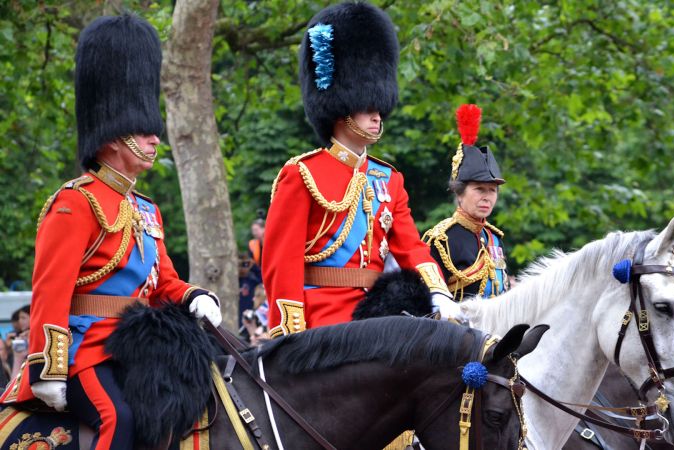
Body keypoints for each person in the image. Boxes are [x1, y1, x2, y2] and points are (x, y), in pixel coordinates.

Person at [0, 14, 222, 450]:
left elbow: (164, 283)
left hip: (137, 349)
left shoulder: (145, 208)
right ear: (114, 135)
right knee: (115, 417)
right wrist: (50, 366)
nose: (156, 138)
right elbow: (50, 292)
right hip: (86, 352)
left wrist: (193, 296)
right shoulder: (75, 202)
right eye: (145, 130)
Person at [262, 2, 455, 337]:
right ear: (341, 108)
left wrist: (437, 290)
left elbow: (410, 246)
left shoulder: (389, 179)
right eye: (368, 108)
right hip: (323, 318)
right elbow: (281, 262)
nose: (378, 116)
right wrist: (290, 332)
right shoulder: (303, 173)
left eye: (379, 108)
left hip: (381, 314)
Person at [422, 104, 509, 301]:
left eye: (492, 191)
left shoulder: (494, 238)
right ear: (459, 193)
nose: (487, 197)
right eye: (479, 189)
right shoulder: (441, 238)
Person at [238, 217, 265, 324]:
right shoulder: (253, 244)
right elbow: (249, 262)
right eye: (253, 231)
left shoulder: (272, 240)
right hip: (258, 276)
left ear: (264, 229)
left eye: (256, 230)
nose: (254, 233)